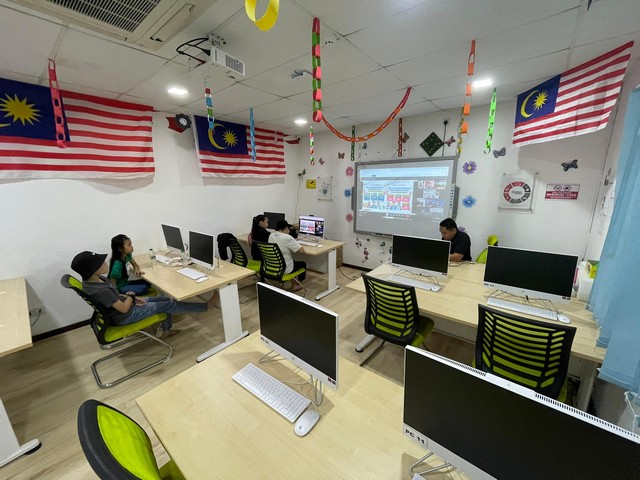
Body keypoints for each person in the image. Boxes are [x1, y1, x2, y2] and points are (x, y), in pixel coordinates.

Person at [72, 251, 218, 338]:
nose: (104, 262)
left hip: (127, 307)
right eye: (100, 263)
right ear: (91, 270)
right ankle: (207, 306)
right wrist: (131, 296)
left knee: (164, 299)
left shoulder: (93, 282)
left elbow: (115, 297)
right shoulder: (100, 290)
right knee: (169, 303)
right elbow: (123, 308)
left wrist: (133, 298)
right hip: (126, 315)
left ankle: (166, 330)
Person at [268, 220, 306, 291]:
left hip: (273, 266)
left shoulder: (271, 235)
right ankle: (298, 284)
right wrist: (294, 241)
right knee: (302, 264)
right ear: (285, 228)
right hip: (285, 268)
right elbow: (302, 251)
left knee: (292, 261)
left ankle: (295, 283)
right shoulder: (287, 237)